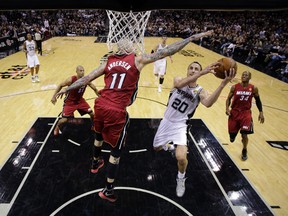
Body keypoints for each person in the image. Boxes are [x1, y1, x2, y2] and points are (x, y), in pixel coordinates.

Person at [55, 30, 214, 202]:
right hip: (116, 110)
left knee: (99, 134)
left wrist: (67, 88)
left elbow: (85, 78)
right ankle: (108, 190)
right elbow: (168, 51)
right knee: (115, 152)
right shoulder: (137, 59)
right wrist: (190, 38)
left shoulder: (108, 62)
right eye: (131, 43)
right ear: (129, 48)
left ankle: (95, 162)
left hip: (100, 104)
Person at [153, 61, 236, 198]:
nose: (193, 70)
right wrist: (202, 72)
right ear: (187, 70)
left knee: (181, 157)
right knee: (156, 148)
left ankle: (181, 178)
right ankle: (169, 145)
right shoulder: (179, 80)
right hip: (166, 122)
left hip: (181, 125)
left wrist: (223, 84)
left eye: (196, 69)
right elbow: (179, 85)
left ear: (200, 71)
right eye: (191, 68)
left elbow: (208, 103)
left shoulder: (201, 91)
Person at [225, 71, 265, 161]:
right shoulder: (234, 87)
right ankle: (233, 135)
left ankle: (244, 149)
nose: (244, 76)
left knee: (244, 134)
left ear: (249, 77)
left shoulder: (253, 88)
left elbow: (258, 100)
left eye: (246, 75)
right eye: (243, 74)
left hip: (246, 113)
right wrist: (227, 108)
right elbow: (228, 99)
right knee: (231, 137)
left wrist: (261, 112)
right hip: (234, 113)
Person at [51, 65, 99, 136]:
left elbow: (94, 88)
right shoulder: (71, 80)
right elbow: (60, 85)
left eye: (83, 70)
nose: (82, 72)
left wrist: (100, 96)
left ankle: (94, 126)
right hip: (70, 102)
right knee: (65, 120)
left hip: (80, 101)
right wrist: (54, 96)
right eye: (80, 71)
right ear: (76, 72)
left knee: (92, 114)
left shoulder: (86, 79)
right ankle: (57, 127)